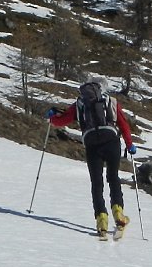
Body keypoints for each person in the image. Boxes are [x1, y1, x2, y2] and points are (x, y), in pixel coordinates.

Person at [47, 79, 136, 238]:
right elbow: (123, 124)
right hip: (111, 141)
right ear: (100, 89)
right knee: (113, 177)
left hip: (92, 144)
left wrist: (52, 118)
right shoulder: (110, 101)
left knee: (97, 182)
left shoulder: (80, 104)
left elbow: (63, 120)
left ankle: (101, 221)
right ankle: (118, 214)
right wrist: (130, 145)